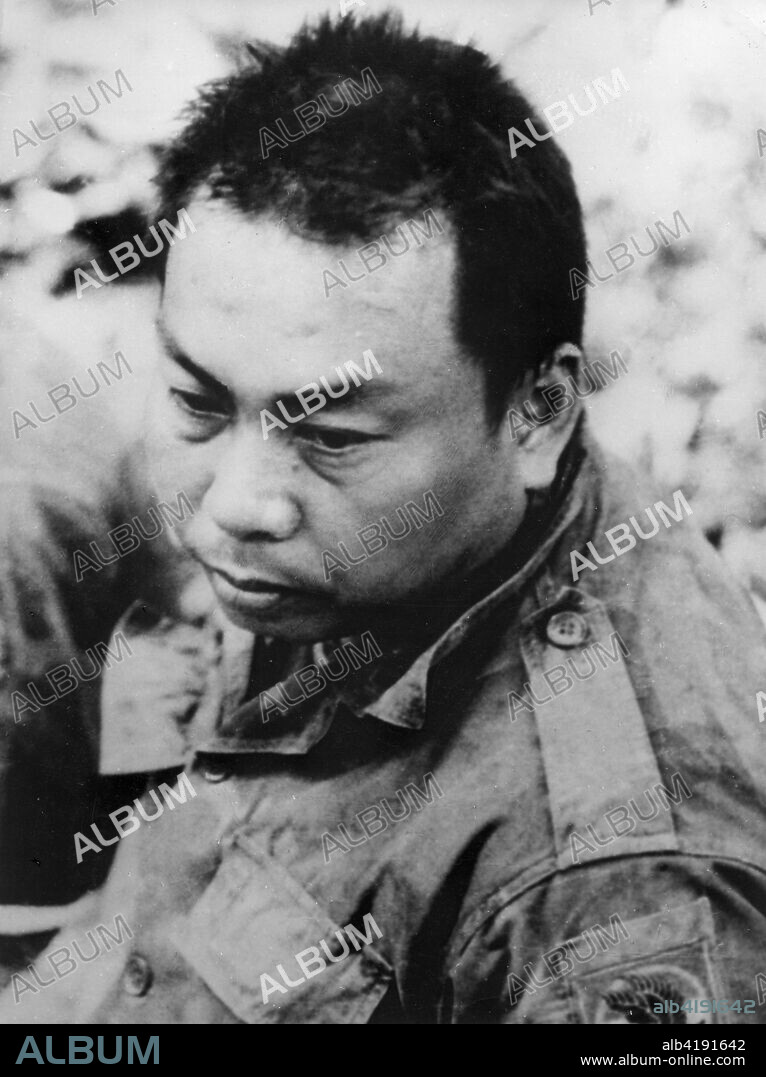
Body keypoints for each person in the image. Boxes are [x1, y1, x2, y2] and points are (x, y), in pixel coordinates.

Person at [3, 11, 766, 1024]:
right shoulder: (422, 498)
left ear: (537, 412)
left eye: (332, 437)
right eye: (197, 400)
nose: (233, 508)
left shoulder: (610, 886)